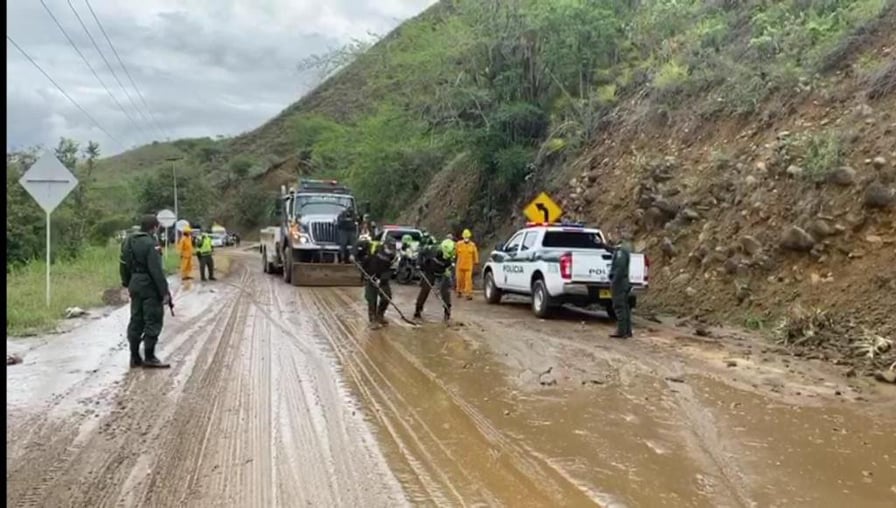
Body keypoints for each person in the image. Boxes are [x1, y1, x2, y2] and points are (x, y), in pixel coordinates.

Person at [120, 214, 171, 368]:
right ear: (154, 227)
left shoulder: (128, 241)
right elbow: (156, 270)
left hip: (134, 283)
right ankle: (149, 356)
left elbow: (123, 264)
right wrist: (164, 292)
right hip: (149, 286)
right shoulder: (151, 243)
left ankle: (134, 357)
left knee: (136, 320)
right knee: (153, 319)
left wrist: (128, 283)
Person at [355, 235, 398, 329]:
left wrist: (381, 279)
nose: (391, 249)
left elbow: (390, 270)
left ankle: (380, 315)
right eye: (389, 247)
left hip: (382, 278)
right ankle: (373, 320)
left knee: (387, 297)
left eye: (393, 247)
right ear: (385, 245)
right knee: (371, 299)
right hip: (369, 276)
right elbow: (359, 250)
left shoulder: (394, 256)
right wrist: (354, 256)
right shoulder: (373, 248)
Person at [414, 236, 455, 321]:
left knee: (445, 291)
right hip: (430, 271)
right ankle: (418, 310)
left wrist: (448, 272)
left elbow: (451, 267)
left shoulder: (452, 255)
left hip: (443, 272)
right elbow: (421, 253)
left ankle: (447, 311)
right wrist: (418, 264)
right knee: (425, 289)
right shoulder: (431, 249)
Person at [608, 234, 634, 339]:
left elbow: (620, 268)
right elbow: (612, 250)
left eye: (612, 236)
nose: (611, 238)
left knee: (619, 306)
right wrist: (602, 245)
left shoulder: (620, 252)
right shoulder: (622, 250)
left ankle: (621, 331)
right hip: (624, 282)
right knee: (625, 307)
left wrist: (614, 282)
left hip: (619, 283)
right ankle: (627, 331)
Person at [455, 228, 479, 300]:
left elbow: (475, 254)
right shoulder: (458, 244)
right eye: (465, 237)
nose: (466, 238)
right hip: (460, 265)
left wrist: (476, 262)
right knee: (459, 280)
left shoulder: (472, 245)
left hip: (469, 266)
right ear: (463, 237)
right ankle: (459, 291)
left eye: (467, 237)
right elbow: (455, 253)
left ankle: (468, 294)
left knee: (468, 281)